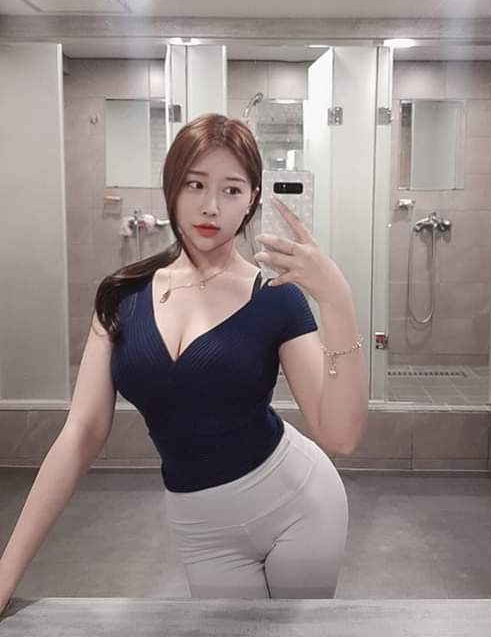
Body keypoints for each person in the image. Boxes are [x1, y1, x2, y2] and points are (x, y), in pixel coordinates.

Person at [0, 113, 368, 612]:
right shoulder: (121, 297)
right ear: (171, 187)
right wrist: (7, 571)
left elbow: (340, 435)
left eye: (232, 190)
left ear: (252, 200)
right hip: (201, 527)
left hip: (299, 505)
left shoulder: (276, 297)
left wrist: (337, 299)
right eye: (195, 184)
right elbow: (81, 432)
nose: (211, 206)